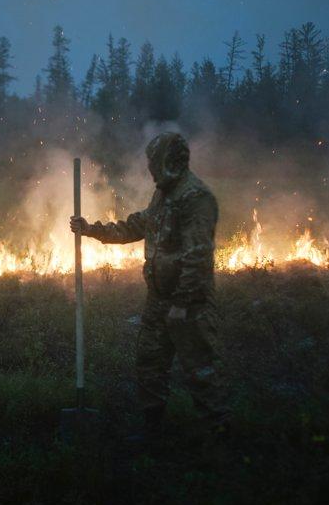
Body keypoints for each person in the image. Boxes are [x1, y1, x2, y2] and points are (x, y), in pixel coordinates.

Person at [70, 132, 230, 441]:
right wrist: (90, 230)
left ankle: (217, 436)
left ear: (170, 162)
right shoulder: (163, 195)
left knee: (201, 371)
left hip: (190, 305)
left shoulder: (196, 198)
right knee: (150, 366)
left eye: (153, 162)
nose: (150, 169)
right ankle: (152, 431)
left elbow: (198, 256)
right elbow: (137, 225)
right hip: (159, 300)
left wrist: (181, 304)